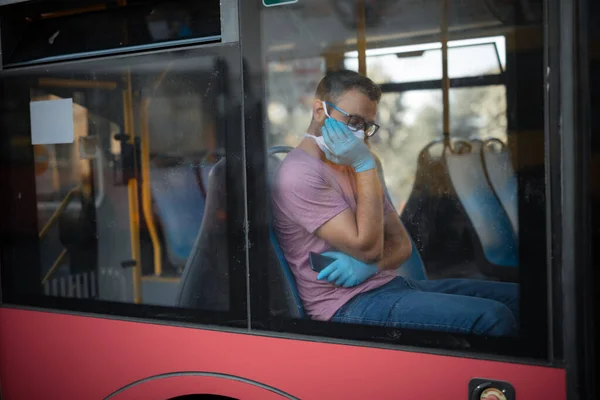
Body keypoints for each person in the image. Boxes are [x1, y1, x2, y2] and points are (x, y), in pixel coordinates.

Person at [271, 69, 519, 337]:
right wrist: (365, 167)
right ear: (320, 111)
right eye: (353, 121)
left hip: (387, 285)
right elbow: (366, 248)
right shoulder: (300, 173)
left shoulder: (351, 164)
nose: (360, 134)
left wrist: (372, 267)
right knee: (493, 318)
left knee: (518, 298)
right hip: (345, 306)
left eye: (366, 126)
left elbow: (402, 245)